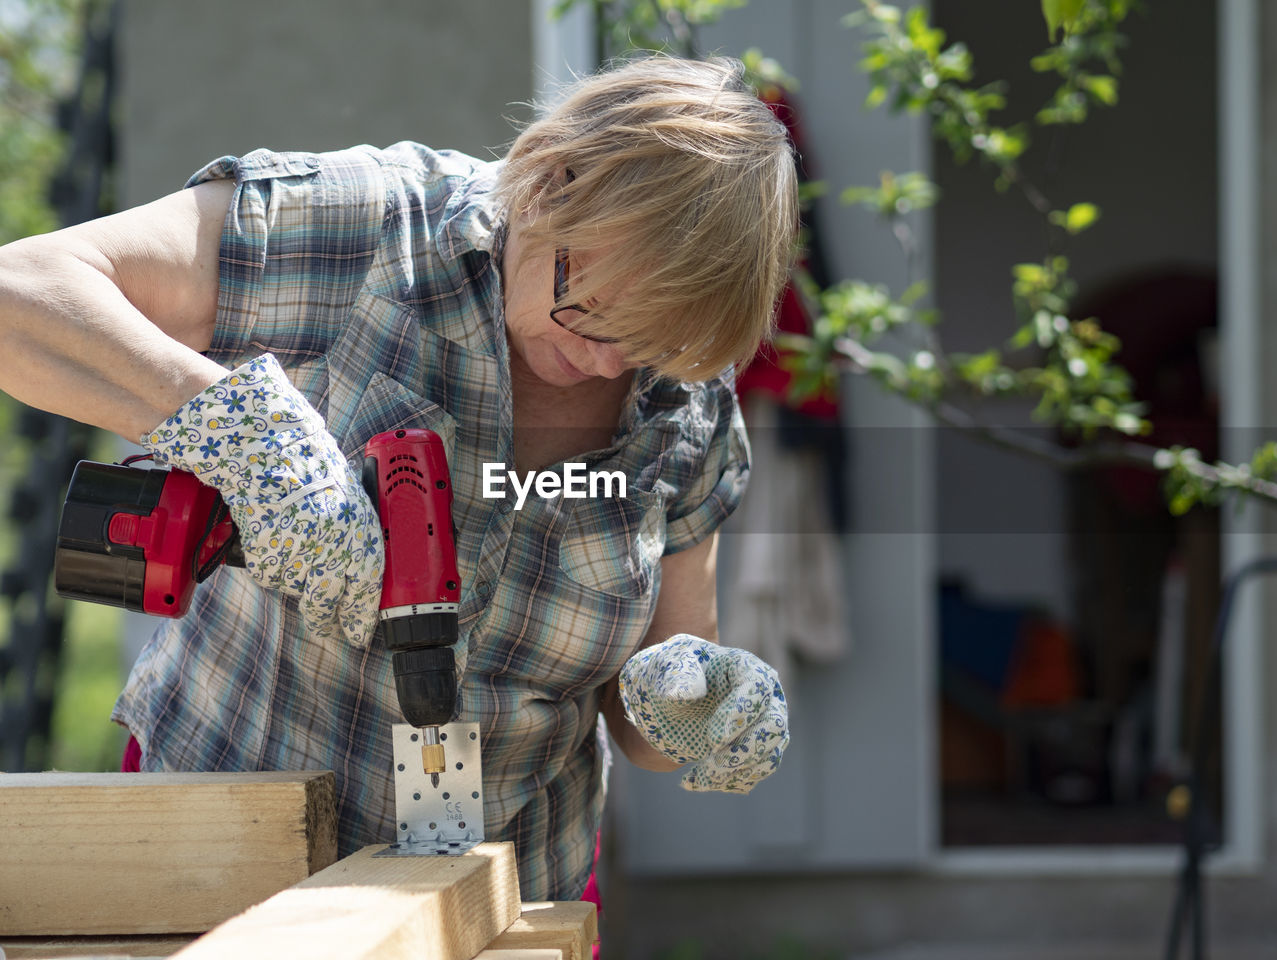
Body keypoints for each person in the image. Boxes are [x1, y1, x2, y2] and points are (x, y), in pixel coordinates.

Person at [0, 54, 795, 902]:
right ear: (552, 183)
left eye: (651, 340)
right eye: (594, 308)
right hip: (221, 862)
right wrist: (250, 438)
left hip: (507, 896)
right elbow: (24, 288)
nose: (606, 361)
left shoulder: (682, 400)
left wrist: (695, 707)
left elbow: (643, 720)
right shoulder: (370, 228)